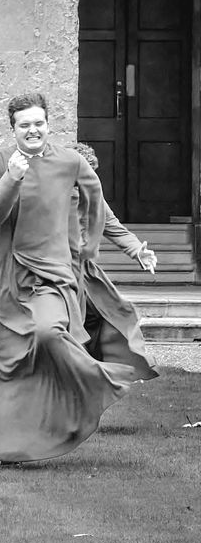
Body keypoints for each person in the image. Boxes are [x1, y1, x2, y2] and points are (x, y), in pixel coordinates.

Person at [0, 94, 138, 464]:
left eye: (38, 122)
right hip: (2, 277)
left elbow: (95, 202)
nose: (32, 130)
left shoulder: (69, 161)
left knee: (48, 333)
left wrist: (89, 250)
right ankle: (14, 440)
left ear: (48, 124)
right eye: (24, 124)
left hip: (50, 275)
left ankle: (96, 382)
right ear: (13, 129)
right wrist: (13, 176)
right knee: (9, 361)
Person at [69, 142, 160, 384]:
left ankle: (92, 375)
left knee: (105, 317)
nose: (87, 183)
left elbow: (115, 228)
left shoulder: (93, 197)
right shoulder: (49, 195)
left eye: (91, 176)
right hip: (53, 273)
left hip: (84, 275)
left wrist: (138, 252)